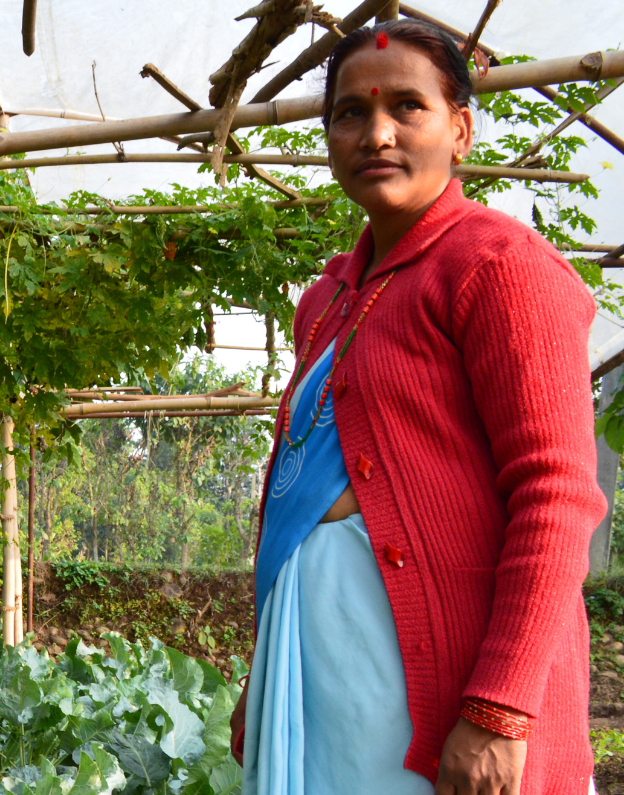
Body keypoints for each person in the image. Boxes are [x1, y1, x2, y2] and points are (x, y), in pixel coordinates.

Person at [226, 18, 606, 795]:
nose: (377, 133)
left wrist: (499, 708)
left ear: (461, 130)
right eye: (350, 114)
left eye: (408, 107)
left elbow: (556, 495)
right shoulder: (327, 298)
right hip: (324, 679)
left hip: (439, 680)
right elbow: (297, 486)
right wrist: (264, 677)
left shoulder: (500, 268)